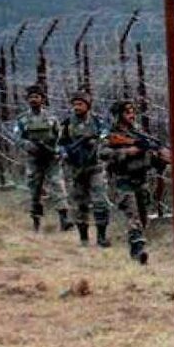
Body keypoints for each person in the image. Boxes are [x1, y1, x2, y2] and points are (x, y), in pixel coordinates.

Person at [101, 99, 170, 265]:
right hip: (122, 181)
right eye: (127, 112)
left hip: (141, 181)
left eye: (133, 111)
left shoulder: (140, 134)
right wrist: (126, 152)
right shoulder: (110, 134)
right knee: (133, 215)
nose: (131, 115)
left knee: (142, 217)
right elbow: (102, 153)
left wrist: (161, 159)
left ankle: (135, 248)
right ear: (118, 115)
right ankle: (138, 248)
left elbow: (150, 158)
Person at [12, 83, 72, 233]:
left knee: (58, 185)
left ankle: (64, 218)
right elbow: (17, 138)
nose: (34, 100)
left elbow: (61, 136)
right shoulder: (22, 120)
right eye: (31, 97)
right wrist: (29, 146)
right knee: (34, 189)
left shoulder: (51, 118)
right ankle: (36, 221)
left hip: (51, 157)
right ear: (27, 100)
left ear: (42, 99)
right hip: (34, 158)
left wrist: (58, 150)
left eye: (37, 97)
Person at [58, 90, 111, 248]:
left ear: (87, 106)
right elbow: (60, 144)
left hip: (95, 167)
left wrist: (96, 143)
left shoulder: (97, 122)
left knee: (100, 201)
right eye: (74, 104)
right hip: (76, 168)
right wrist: (65, 153)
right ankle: (83, 239)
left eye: (80, 104)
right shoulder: (67, 124)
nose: (77, 107)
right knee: (80, 203)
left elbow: (106, 137)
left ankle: (101, 237)